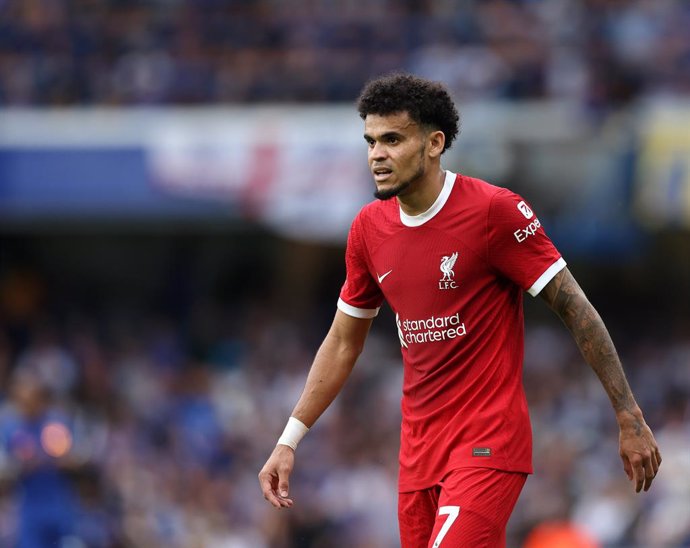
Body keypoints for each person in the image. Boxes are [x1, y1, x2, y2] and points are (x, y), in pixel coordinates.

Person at [258, 73, 662, 547]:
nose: (376, 155)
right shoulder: (368, 229)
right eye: (370, 142)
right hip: (418, 456)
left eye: (392, 140)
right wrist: (289, 439)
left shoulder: (494, 212)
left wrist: (629, 417)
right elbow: (344, 341)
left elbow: (575, 307)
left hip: (488, 444)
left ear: (434, 142)